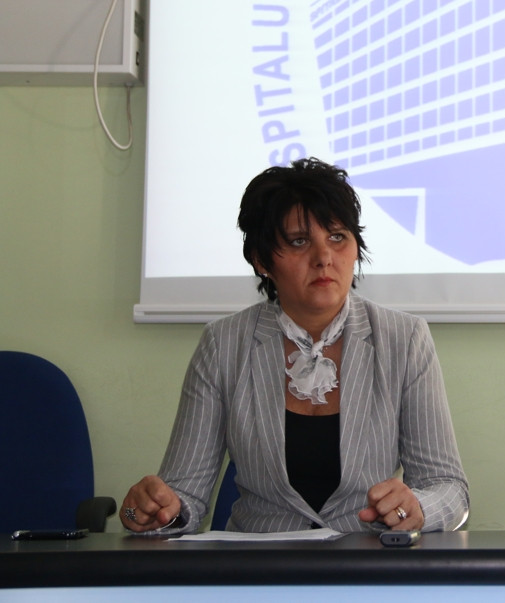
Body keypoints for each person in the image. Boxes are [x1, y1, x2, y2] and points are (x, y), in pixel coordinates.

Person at [121, 158, 469, 534]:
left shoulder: (404, 338)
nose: (324, 258)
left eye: (337, 237)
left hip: (366, 558)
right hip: (261, 562)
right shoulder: (223, 344)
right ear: (261, 260)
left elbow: (449, 489)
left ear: (356, 247)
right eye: (299, 242)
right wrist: (157, 512)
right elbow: (185, 494)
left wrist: (417, 508)